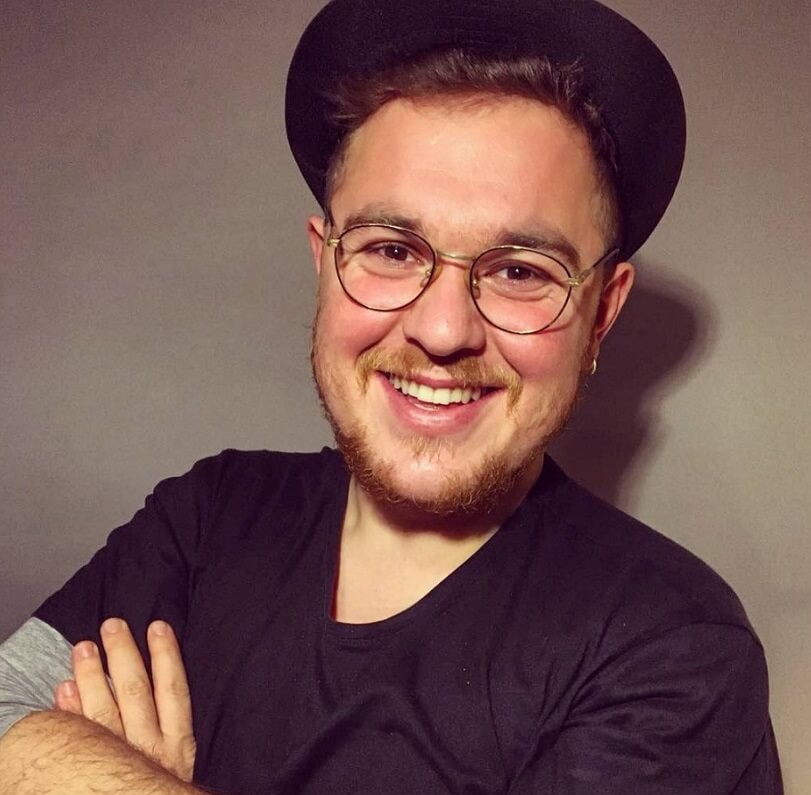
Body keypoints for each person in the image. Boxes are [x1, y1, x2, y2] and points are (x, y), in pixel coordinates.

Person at [0, 0, 783, 792]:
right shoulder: (208, 517)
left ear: (601, 312)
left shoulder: (672, 647)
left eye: (520, 270)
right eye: (392, 250)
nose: (442, 330)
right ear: (323, 262)